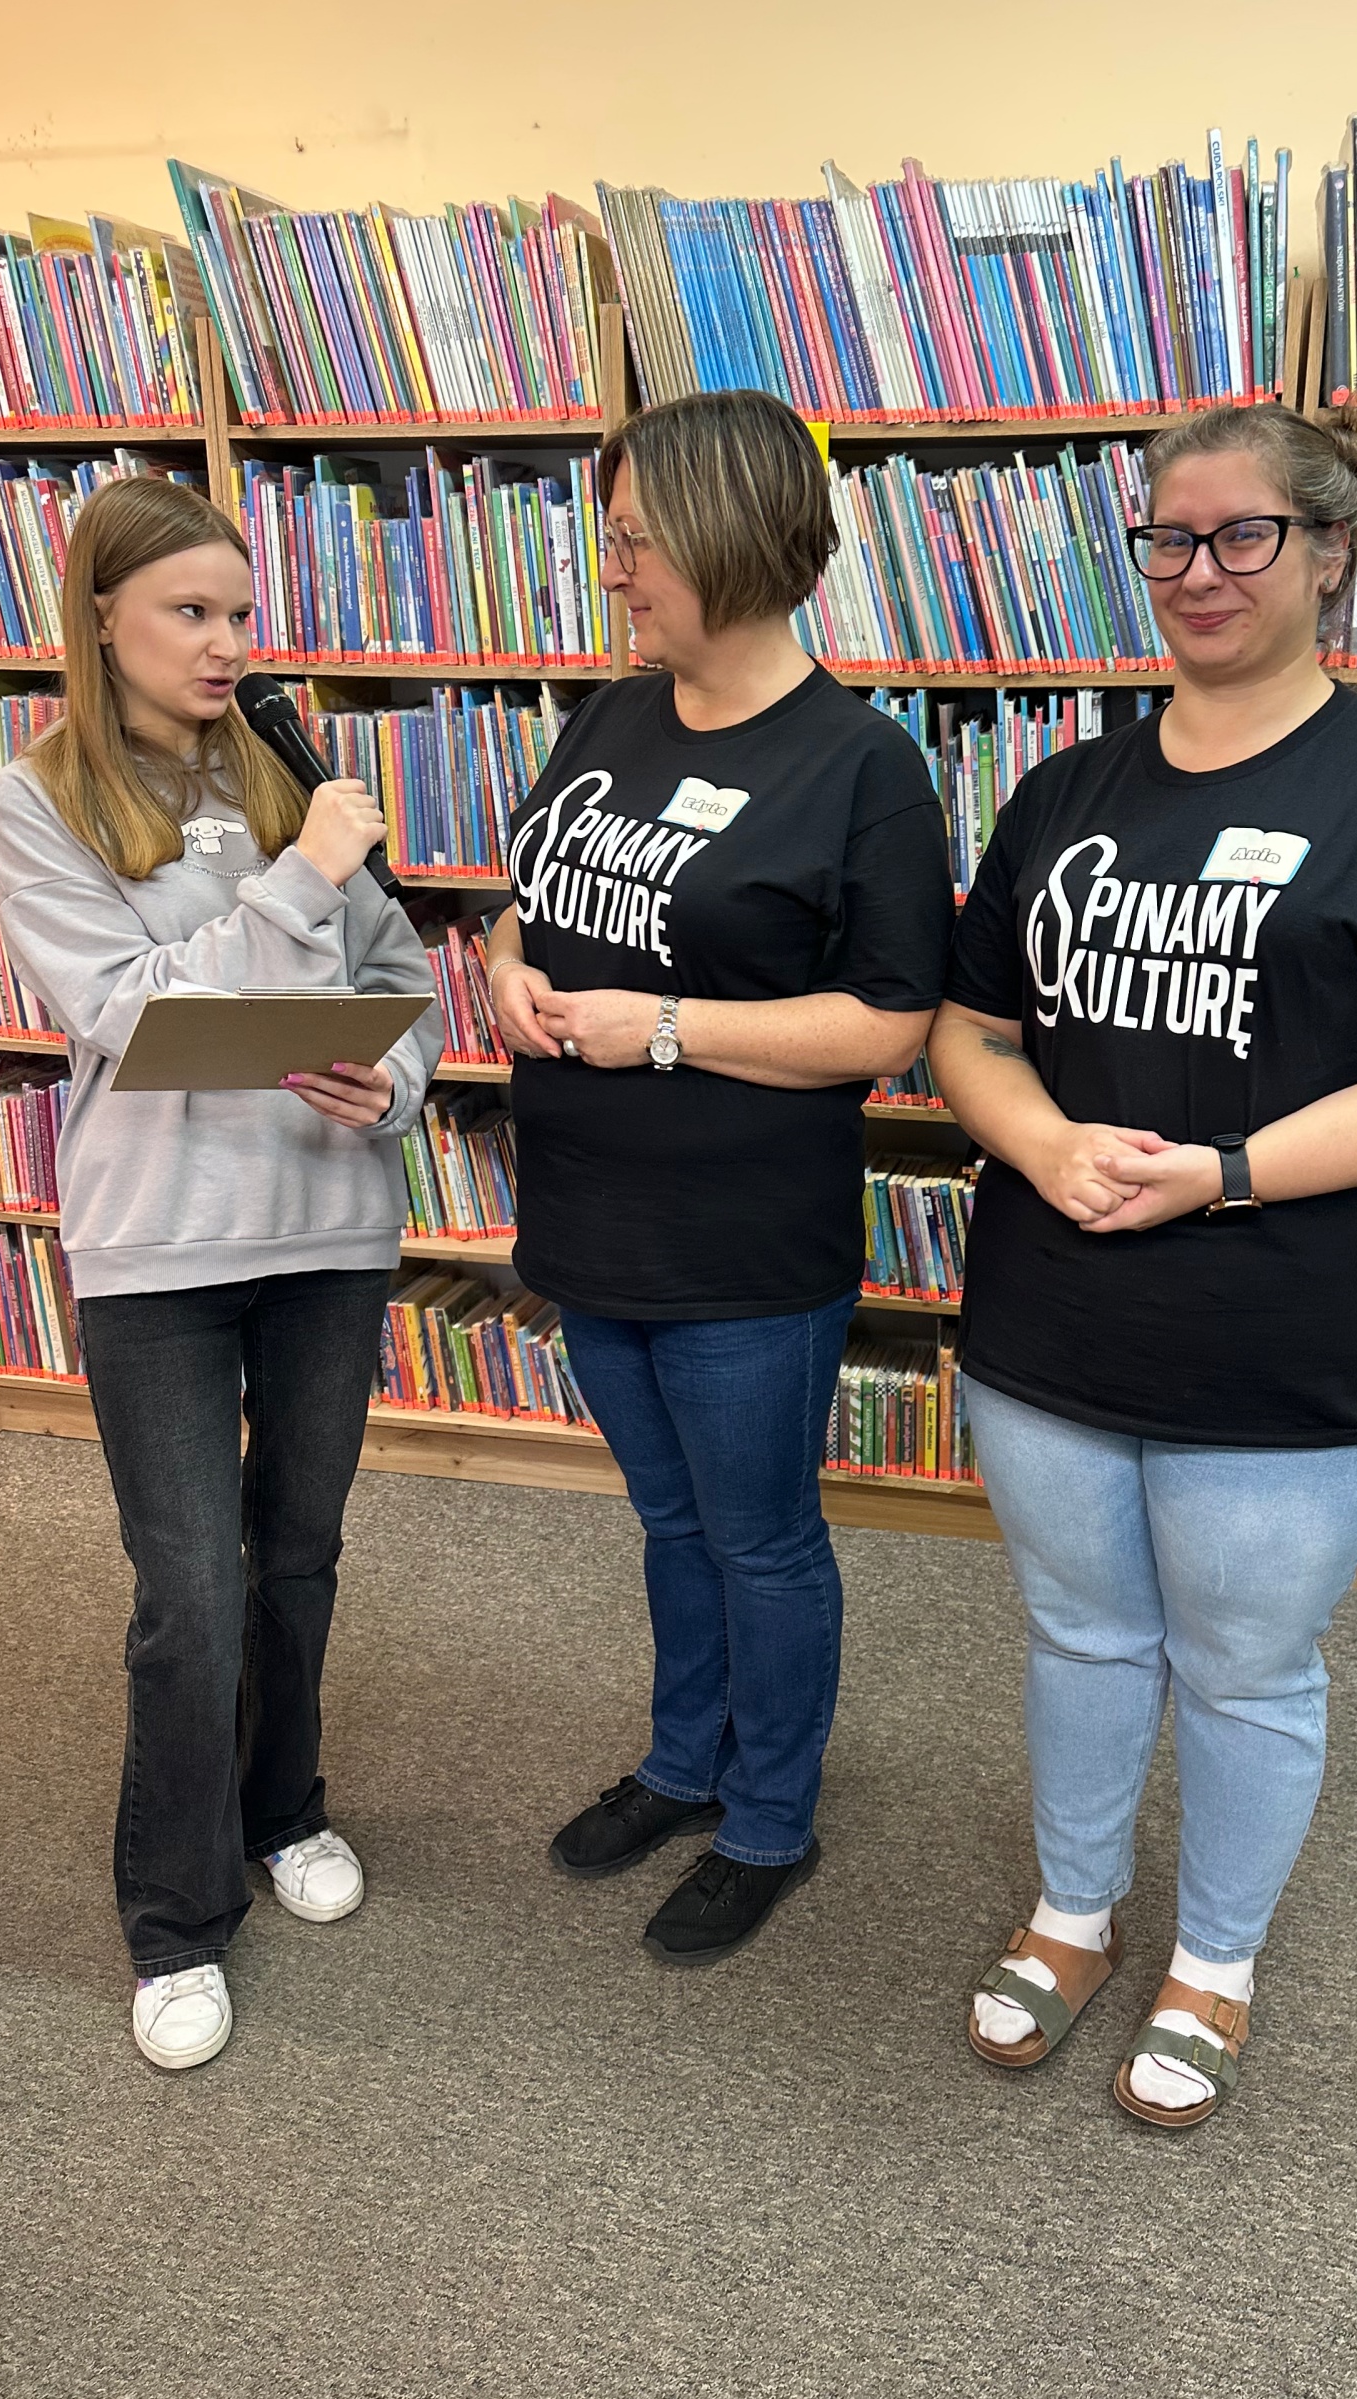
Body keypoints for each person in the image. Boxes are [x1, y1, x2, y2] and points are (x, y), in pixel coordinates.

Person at [929, 400, 1357, 2127]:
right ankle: (1073, 1916)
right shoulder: (1065, 790)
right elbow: (968, 1030)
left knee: (1243, 1667)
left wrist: (1228, 1174)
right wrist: (1037, 1140)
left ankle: (1214, 1961)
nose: (1198, 570)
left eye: (1242, 535)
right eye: (1169, 536)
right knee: (1080, 1636)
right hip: (1054, 1320)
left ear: (1329, 552)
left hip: (1295, 1338)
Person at [0, 477, 443, 2071]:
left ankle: (284, 1807)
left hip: (328, 1227)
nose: (227, 642)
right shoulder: (34, 801)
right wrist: (302, 879)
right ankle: (176, 1921)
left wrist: (398, 1083)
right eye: (190, 612)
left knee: (298, 1554)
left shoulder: (286, 770)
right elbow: (137, 1014)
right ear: (101, 616)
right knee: (189, 1594)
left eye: (240, 612)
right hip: (161, 1246)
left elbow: (402, 974)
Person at [487, 390, 954, 1965]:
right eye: (611, 538)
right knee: (670, 1522)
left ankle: (768, 1818)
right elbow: (528, 895)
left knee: (758, 1538)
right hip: (588, 1212)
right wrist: (505, 966)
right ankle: (684, 1760)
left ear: (732, 541)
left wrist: (671, 1027)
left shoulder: (862, 766)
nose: (612, 569)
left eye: (636, 541)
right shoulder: (609, 719)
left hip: (742, 1241)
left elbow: (888, 1020)